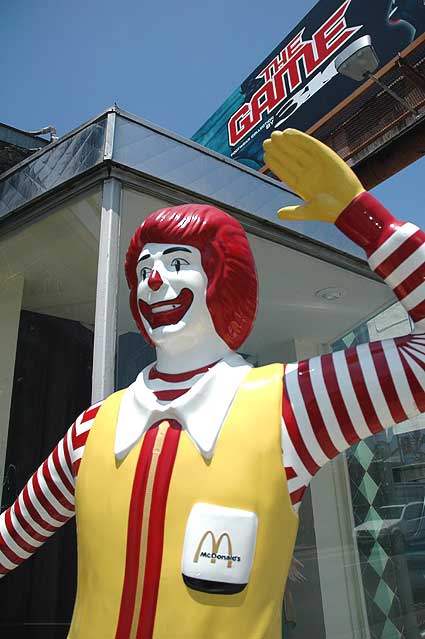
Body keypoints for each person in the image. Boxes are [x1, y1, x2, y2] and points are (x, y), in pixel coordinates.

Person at [1, 130, 425, 639]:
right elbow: (9, 541)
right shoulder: (92, 430)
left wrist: (363, 218)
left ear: (221, 277)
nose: (154, 279)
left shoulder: (292, 406)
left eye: (177, 263)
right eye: (143, 269)